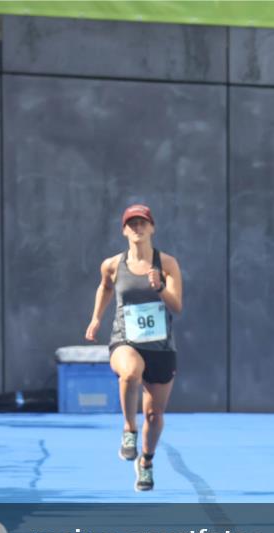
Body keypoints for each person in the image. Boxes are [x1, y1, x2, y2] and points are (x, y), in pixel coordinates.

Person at [85, 204, 182, 492]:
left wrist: (161, 288)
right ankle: (129, 429)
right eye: (131, 224)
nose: (137, 228)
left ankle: (147, 462)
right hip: (125, 340)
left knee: (154, 415)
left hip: (161, 347)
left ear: (152, 228)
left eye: (142, 223)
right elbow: (104, 287)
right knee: (130, 373)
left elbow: (178, 306)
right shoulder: (113, 265)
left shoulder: (166, 264)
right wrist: (95, 319)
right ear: (124, 230)